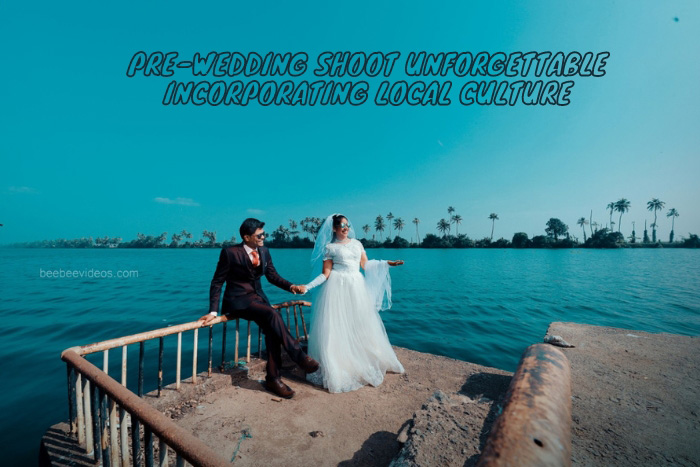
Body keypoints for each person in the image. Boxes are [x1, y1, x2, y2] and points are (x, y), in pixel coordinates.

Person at [199, 218, 320, 399]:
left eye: (264, 233)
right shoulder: (230, 253)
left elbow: (272, 276)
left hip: (259, 299)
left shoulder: (264, 251)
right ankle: (298, 355)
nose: (264, 237)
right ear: (246, 237)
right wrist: (213, 311)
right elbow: (217, 282)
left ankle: (273, 379)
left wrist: (291, 286)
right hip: (238, 301)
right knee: (272, 313)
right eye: (259, 235)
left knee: (272, 330)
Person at [302, 214, 405, 393]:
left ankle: (362, 356)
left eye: (347, 225)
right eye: (341, 225)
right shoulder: (330, 248)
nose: (345, 228)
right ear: (334, 228)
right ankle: (339, 362)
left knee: (359, 322)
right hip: (336, 288)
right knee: (336, 326)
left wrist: (387, 263)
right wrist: (307, 286)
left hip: (356, 287)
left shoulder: (357, 244)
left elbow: (366, 265)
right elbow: (325, 274)